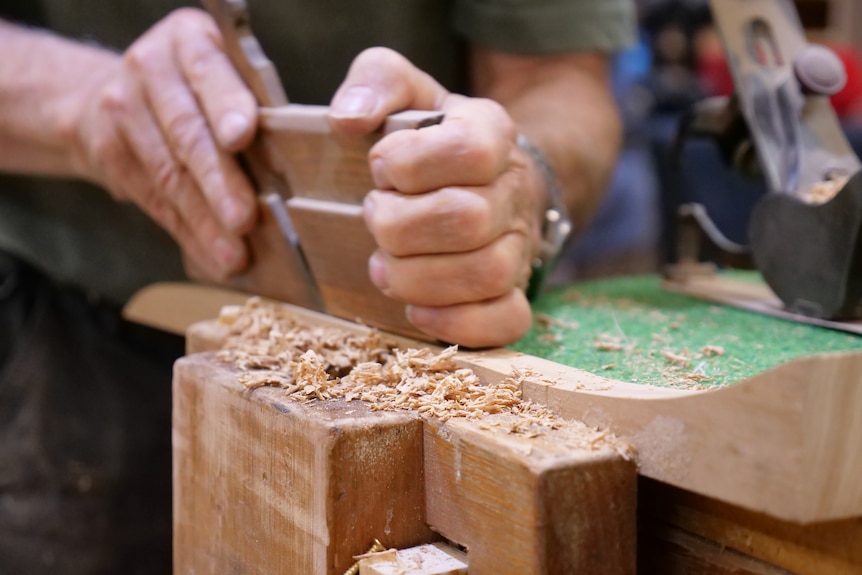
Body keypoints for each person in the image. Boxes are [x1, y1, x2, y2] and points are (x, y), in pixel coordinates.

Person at [0, 1, 635, 573]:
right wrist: (82, 104)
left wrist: (519, 185)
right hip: (70, 333)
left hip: (418, 356)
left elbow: (560, 82)